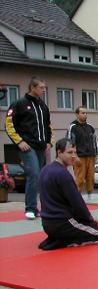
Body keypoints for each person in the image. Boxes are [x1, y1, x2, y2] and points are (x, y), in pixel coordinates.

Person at [38, 138, 98, 251]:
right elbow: (77, 203)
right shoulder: (63, 174)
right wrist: (90, 221)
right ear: (59, 153)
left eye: (75, 152)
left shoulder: (45, 170)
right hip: (62, 223)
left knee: (85, 226)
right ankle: (63, 241)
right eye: (69, 152)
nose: (73, 156)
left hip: (46, 224)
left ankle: (55, 238)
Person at [5, 77, 52, 220]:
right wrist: (19, 142)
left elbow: (48, 126)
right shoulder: (19, 104)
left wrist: (49, 142)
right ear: (33, 87)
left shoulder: (43, 106)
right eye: (41, 88)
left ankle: (42, 208)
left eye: (44, 88)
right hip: (27, 146)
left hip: (41, 147)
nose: (44, 90)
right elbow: (9, 125)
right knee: (34, 174)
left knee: (40, 177)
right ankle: (30, 208)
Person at [68, 106, 98, 199]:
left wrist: (97, 154)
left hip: (91, 155)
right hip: (79, 156)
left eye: (86, 113)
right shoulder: (73, 127)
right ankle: (78, 196)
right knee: (80, 178)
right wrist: (73, 155)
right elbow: (70, 142)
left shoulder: (90, 127)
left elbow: (95, 141)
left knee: (91, 177)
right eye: (83, 113)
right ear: (77, 114)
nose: (85, 114)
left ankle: (90, 194)